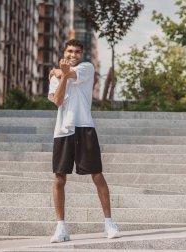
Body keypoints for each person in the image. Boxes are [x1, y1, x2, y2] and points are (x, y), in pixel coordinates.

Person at [47, 39, 120, 242]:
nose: (73, 55)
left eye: (77, 52)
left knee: (97, 175)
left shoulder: (87, 68)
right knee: (59, 179)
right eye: (70, 51)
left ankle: (109, 223)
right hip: (63, 131)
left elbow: (71, 73)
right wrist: (59, 76)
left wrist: (58, 71)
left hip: (85, 127)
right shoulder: (55, 78)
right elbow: (58, 101)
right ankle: (61, 228)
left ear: (82, 54)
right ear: (64, 51)